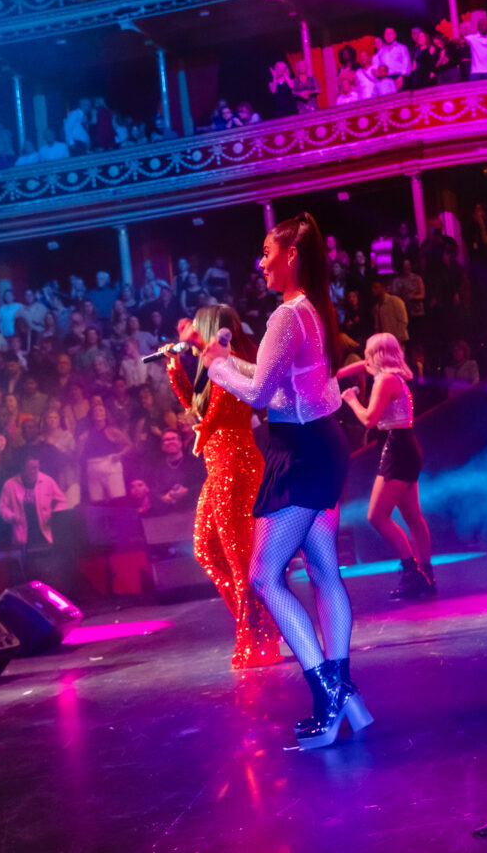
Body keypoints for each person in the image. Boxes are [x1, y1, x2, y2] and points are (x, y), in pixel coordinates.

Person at [204, 213, 370, 749]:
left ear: (290, 255)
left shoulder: (286, 316)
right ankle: (344, 691)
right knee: (324, 570)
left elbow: (256, 395)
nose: (261, 262)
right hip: (320, 446)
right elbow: (276, 383)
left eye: (266, 253)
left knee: (263, 575)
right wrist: (231, 359)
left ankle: (330, 695)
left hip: (301, 456)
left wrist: (214, 366)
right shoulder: (314, 309)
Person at [165, 305, 280, 669]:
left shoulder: (233, 361)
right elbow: (199, 411)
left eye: (199, 329)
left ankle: (258, 638)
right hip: (218, 468)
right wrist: (174, 372)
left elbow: (221, 413)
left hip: (236, 465)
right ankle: (259, 626)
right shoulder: (212, 368)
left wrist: (203, 431)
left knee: (239, 558)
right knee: (206, 550)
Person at [339, 333, 433, 599]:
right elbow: (363, 366)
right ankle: (426, 575)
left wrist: (351, 399)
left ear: (376, 355)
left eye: (369, 353)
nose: (365, 359)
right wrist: (337, 374)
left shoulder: (385, 380)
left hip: (397, 449)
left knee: (376, 516)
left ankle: (412, 572)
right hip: (404, 446)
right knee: (413, 517)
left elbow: (369, 420)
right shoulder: (396, 375)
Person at [0, 455, 67, 548]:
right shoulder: (10, 485)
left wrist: (55, 515)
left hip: (45, 535)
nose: (36, 471)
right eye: (32, 468)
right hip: (21, 537)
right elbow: (2, 507)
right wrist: (12, 517)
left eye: (37, 467)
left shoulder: (47, 481)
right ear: (22, 468)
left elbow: (62, 501)